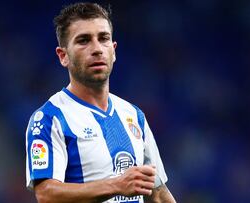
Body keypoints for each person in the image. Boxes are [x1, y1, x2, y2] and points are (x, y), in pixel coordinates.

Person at [25, 2, 176, 203]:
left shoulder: (133, 115)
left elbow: (158, 193)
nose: (96, 49)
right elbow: (46, 194)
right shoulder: (49, 118)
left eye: (103, 38)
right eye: (83, 41)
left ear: (113, 51)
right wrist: (116, 185)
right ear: (63, 56)